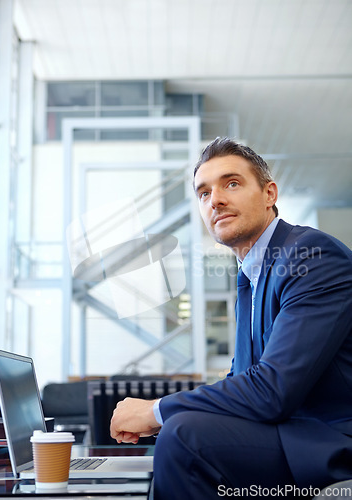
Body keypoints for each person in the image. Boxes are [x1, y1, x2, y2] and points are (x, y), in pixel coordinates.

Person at [110, 138, 352, 499]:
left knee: (184, 437)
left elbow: (271, 391)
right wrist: (166, 413)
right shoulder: (251, 275)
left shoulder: (310, 257)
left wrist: (157, 411)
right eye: (203, 193)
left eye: (232, 184)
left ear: (269, 194)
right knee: (181, 427)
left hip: (328, 441)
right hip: (291, 433)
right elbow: (243, 379)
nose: (216, 200)